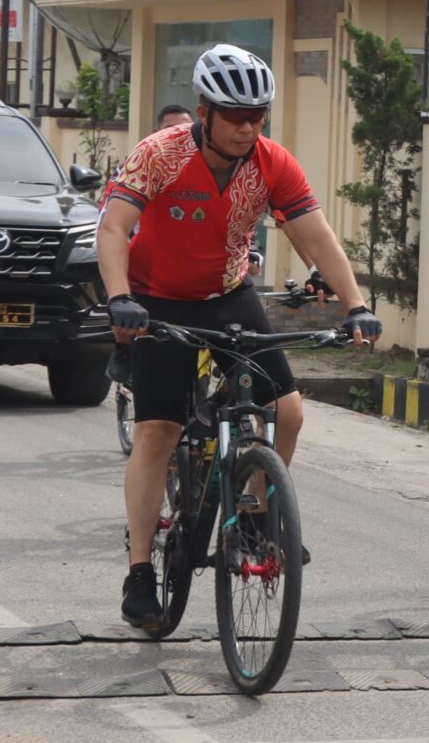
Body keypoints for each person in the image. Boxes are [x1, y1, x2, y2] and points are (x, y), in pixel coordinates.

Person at [98, 45, 381, 627]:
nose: (247, 127)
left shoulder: (272, 163)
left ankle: (252, 514)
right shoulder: (160, 155)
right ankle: (140, 571)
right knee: (157, 430)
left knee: (290, 412)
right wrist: (120, 298)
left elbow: (316, 236)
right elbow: (114, 226)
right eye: (234, 115)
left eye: (258, 116)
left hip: (228, 294)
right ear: (204, 112)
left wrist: (355, 304)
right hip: (155, 301)